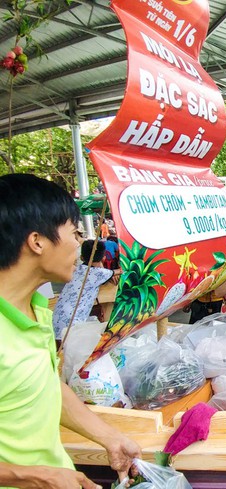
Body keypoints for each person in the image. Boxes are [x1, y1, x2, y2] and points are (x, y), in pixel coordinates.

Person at [0, 173, 140, 488]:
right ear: (37, 242)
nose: (80, 244)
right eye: (74, 233)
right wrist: (33, 476)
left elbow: (41, 387)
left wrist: (110, 437)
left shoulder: (35, 310)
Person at [53, 239, 120, 339]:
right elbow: (119, 271)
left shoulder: (78, 269)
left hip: (56, 319)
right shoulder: (99, 273)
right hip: (72, 324)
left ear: (82, 257)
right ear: (104, 257)